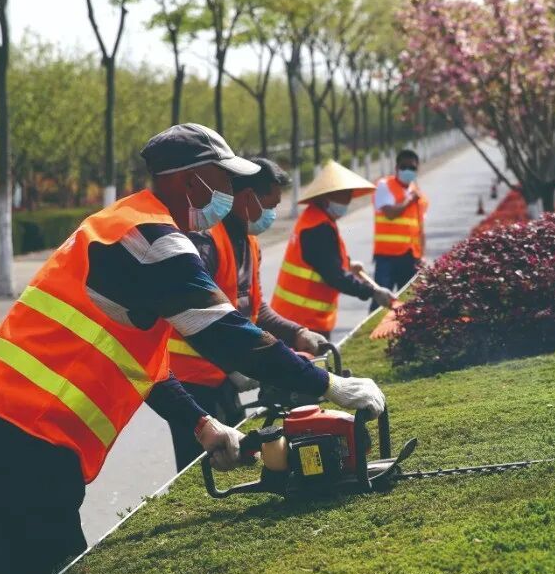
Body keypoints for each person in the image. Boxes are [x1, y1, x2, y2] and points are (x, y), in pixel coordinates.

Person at [0, 124, 385, 574]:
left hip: (9, 421)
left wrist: (202, 425)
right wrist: (327, 384)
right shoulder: (154, 238)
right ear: (192, 180)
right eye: (225, 180)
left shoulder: (132, 223)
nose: (230, 192)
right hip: (22, 426)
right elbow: (226, 331)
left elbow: (144, 365)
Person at [163, 157, 328, 472]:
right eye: (270, 204)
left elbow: (255, 308)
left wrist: (297, 333)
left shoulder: (250, 243)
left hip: (223, 373)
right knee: (199, 468)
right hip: (190, 380)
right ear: (247, 197)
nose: (272, 214)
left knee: (240, 455)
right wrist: (235, 366)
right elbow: (192, 315)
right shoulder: (205, 243)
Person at [272, 160, 395, 340]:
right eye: (343, 195)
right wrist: (372, 292)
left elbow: (320, 259)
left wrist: (347, 265)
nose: (347, 201)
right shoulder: (319, 228)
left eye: (349, 195)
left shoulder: (314, 218)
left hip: (293, 317)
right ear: (326, 197)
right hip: (303, 321)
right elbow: (334, 276)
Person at [372, 149, 428, 300]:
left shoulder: (419, 196)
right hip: (387, 256)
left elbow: (421, 229)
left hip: (410, 257)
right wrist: (408, 200)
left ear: (417, 169)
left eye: (412, 168)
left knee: (408, 302)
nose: (408, 170)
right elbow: (390, 213)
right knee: (382, 302)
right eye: (404, 167)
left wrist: (422, 256)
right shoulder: (384, 185)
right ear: (396, 168)